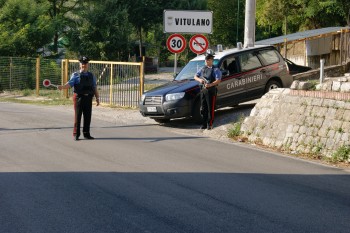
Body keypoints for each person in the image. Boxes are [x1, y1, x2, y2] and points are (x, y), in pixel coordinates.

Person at [58, 56, 100, 141]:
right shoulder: (75, 75)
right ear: (80, 64)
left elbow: (94, 87)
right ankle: (76, 134)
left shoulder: (91, 75)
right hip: (78, 98)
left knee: (88, 116)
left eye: (85, 63)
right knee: (78, 116)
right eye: (82, 63)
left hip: (88, 98)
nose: (84, 65)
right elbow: (69, 84)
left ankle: (86, 134)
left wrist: (97, 98)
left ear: (88, 64)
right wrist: (62, 87)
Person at [194, 49, 222, 130]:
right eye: (206, 59)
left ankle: (210, 124)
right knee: (203, 108)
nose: (206, 61)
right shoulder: (202, 68)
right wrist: (200, 80)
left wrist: (211, 84)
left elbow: (218, 80)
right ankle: (204, 124)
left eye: (208, 59)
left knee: (210, 108)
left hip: (211, 91)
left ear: (211, 60)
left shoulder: (215, 69)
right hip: (203, 90)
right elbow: (195, 76)